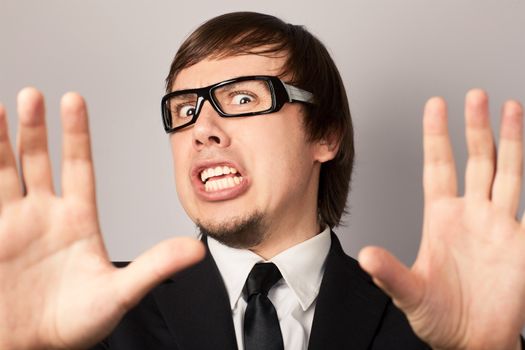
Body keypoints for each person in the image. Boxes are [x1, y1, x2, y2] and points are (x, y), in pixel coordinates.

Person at [0, 11, 524, 350]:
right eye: (184, 109)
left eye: (243, 98)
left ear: (325, 135)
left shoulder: (427, 325)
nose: (202, 130)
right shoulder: (90, 317)